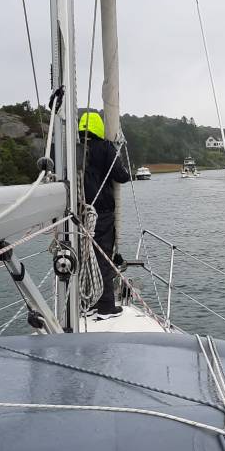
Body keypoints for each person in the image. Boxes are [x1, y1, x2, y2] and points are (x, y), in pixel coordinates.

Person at [78, 110, 129, 317]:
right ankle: (106, 306)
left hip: (77, 213)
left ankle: (85, 302)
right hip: (101, 213)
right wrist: (116, 152)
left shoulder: (72, 150)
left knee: (82, 256)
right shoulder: (104, 147)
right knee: (102, 256)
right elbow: (122, 176)